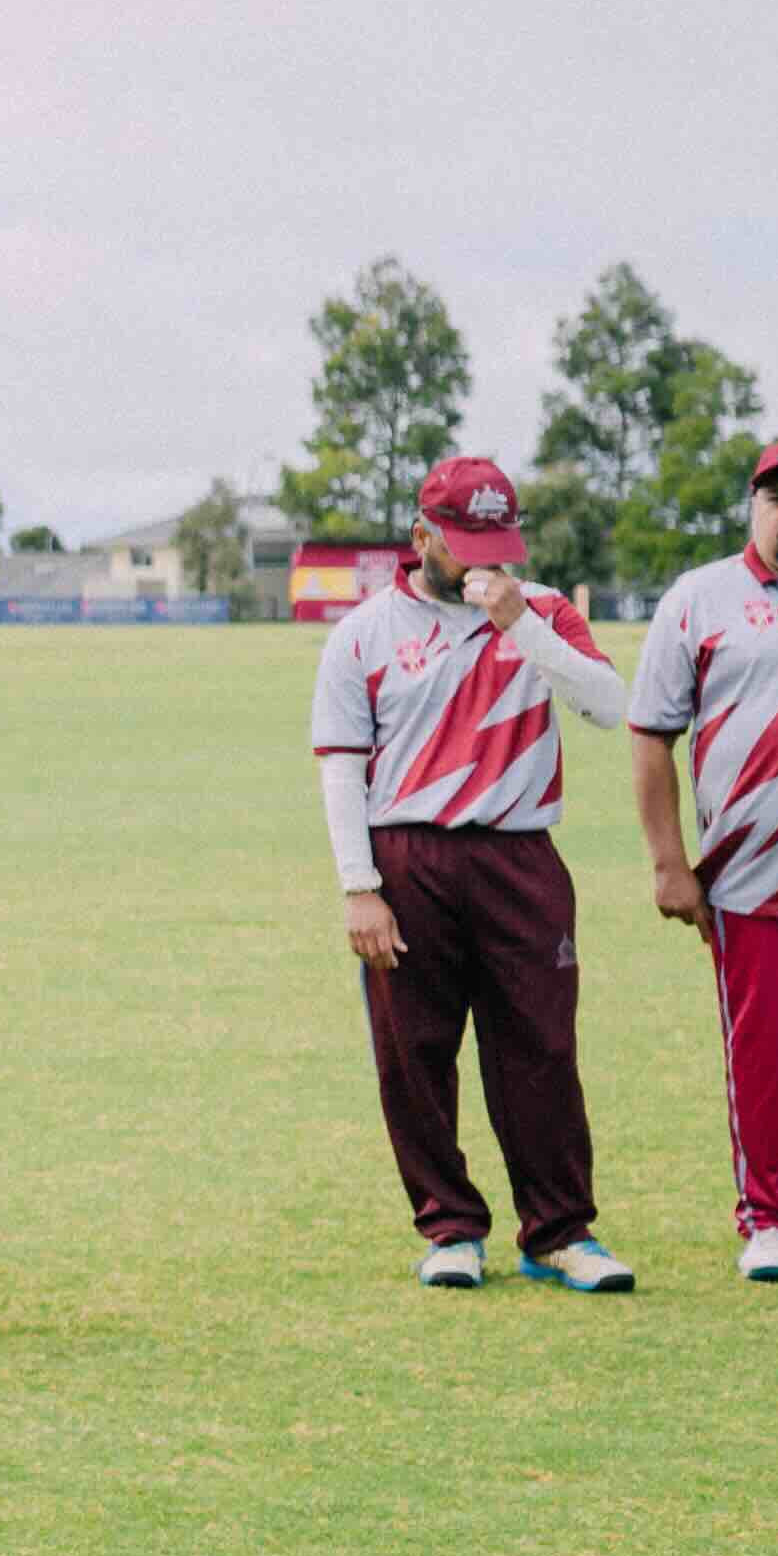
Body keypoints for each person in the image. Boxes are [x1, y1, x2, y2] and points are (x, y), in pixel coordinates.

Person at [311, 457, 634, 1291]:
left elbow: (608, 705)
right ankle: (451, 1228)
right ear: (421, 538)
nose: (487, 562)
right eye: (466, 545)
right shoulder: (363, 634)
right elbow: (343, 767)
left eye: (499, 544)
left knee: (541, 1047)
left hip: (520, 856)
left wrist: (522, 625)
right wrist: (360, 886)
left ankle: (560, 1232)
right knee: (413, 1053)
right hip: (407, 857)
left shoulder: (545, 611)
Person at [629, 436, 778, 1283]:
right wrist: (669, 863)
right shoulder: (700, 600)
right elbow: (652, 733)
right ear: (755, 510)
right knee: (765, 1066)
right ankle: (773, 1220)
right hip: (754, 881)